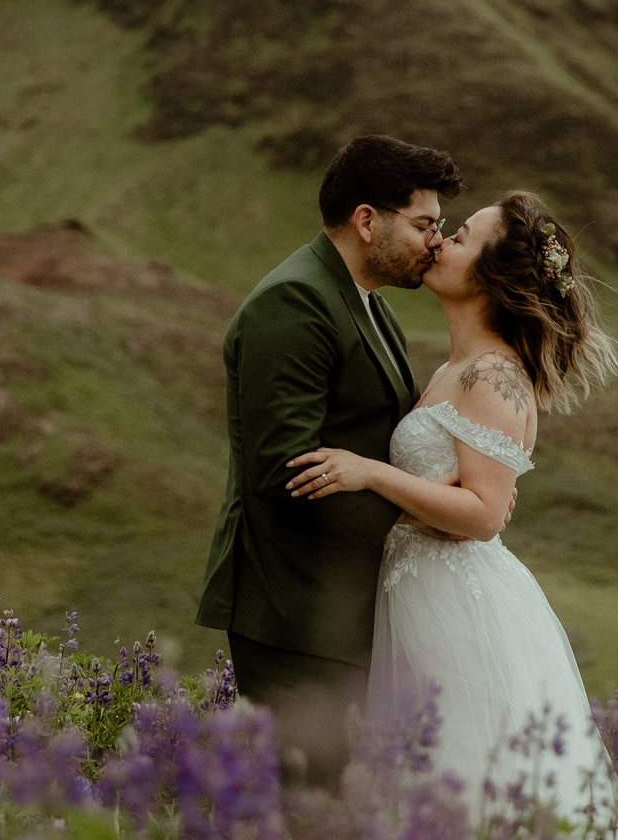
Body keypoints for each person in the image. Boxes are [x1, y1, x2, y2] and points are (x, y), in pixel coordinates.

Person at [285, 191, 618, 822]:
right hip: (416, 591)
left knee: (456, 773)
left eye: (461, 236)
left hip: (453, 603)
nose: (441, 241)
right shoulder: (457, 369)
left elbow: (485, 514)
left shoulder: (495, 375)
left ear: (491, 276)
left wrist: (371, 473)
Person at [195, 134, 461, 787]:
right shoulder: (294, 302)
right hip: (294, 609)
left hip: (346, 606)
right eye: (423, 224)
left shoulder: (372, 306)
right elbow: (285, 472)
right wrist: (420, 521)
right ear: (367, 220)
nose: (435, 242)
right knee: (306, 808)